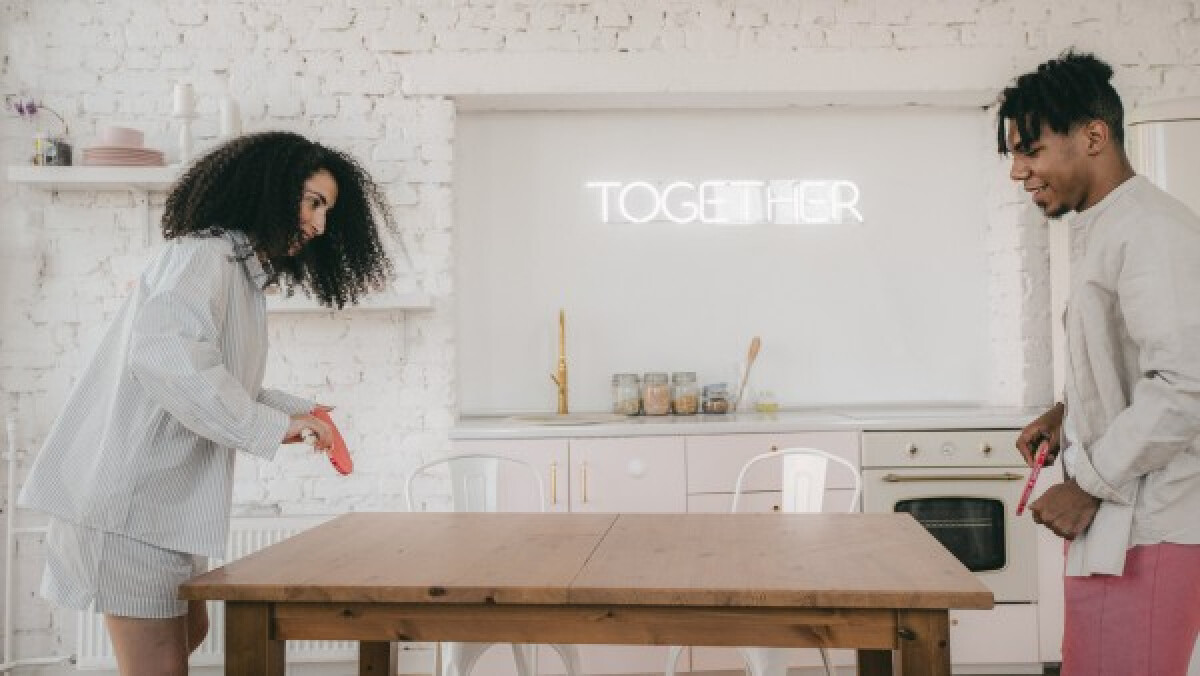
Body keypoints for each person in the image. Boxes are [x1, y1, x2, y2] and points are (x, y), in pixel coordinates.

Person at [18, 131, 396, 675]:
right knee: (159, 663)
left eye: (327, 210)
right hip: (127, 508)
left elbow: (219, 380)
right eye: (313, 202)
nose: (319, 225)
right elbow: (169, 365)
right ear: (268, 189)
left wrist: (299, 414)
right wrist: (276, 428)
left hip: (160, 510)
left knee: (190, 631)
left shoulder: (237, 273)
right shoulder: (202, 257)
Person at [997, 51, 1200, 674]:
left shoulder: (1150, 231)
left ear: (1093, 135)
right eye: (1012, 154)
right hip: (1117, 523)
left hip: (1147, 525)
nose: (1017, 172)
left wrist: (1086, 484)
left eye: (1030, 149)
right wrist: (1067, 413)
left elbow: (1186, 384)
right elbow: (1136, 360)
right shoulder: (1106, 225)